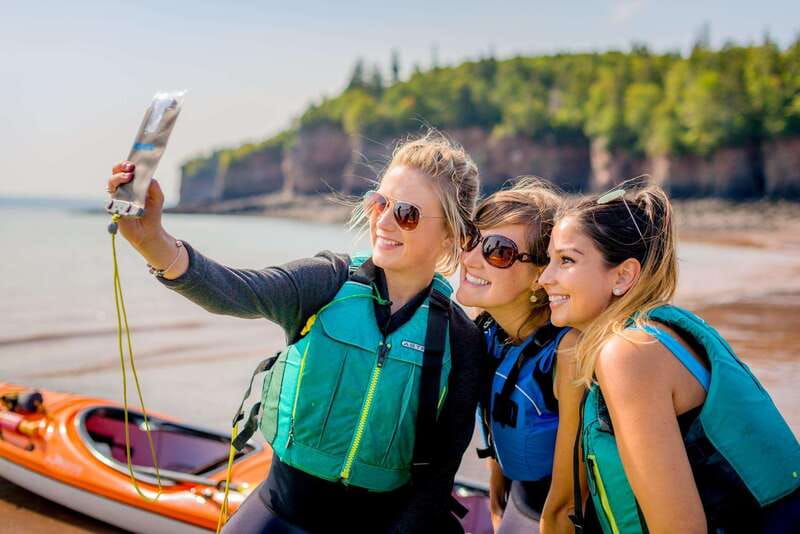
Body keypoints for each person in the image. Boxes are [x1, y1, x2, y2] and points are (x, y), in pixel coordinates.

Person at [106, 133, 487, 534]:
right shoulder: (327, 282)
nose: (385, 221)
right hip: (281, 510)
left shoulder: (460, 339)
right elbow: (235, 290)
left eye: (407, 213)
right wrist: (152, 242)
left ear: (451, 234)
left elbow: (439, 473)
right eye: (379, 202)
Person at [538, 184, 800, 533]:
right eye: (549, 260)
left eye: (566, 261)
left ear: (623, 275)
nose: (544, 278)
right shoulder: (659, 332)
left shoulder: (629, 354)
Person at [455, 179, 593, 533]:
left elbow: (569, 498)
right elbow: (496, 408)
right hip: (519, 499)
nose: (469, 259)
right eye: (471, 238)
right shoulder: (487, 333)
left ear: (540, 275)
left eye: (498, 251)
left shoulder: (566, 352)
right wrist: (498, 479)